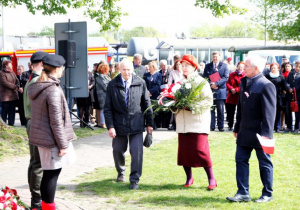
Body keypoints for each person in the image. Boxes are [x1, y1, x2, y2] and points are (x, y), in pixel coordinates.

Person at [28, 54, 76, 210]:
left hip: (43, 138)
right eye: (62, 68)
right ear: (57, 69)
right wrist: (63, 145)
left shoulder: (39, 85)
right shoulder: (52, 89)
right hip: (52, 140)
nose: (63, 70)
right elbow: (56, 121)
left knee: (48, 174)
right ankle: (48, 207)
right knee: (51, 175)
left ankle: (41, 206)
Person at [226, 55, 276, 203]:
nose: (243, 68)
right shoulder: (244, 82)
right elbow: (240, 108)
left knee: (264, 163)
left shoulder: (266, 85)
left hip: (261, 133)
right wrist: (236, 127)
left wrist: (266, 135)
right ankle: (242, 192)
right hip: (244, 131)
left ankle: (267, 193)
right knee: (241, 160)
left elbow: (269, 113)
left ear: (256, 68)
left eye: (246, 66)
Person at [104, 59, 153, 190]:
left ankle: (134, 180)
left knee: (136, 152)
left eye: (128, 69)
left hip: (136, 123)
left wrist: (150, 124)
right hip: (119, 123)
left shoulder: (140, 83)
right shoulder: (112, 85)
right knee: (117, 150)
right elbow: (107, 107)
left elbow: (147, 104)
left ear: (132, 69)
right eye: (124, 69)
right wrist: (110, 126)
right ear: (119, 70)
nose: (126, 72)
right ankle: (121, 171)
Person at [176, 54, 216, 190]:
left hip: (197, 123)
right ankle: (189, 177)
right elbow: (174, 99)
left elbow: (208, 100)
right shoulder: (179, 82)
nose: (184, 68)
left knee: (201, 151)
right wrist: (173, 105)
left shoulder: (201, 82)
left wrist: (191, 107)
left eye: (187, 65)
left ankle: (211, 178)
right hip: (183, 123)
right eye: (182, 65)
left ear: (194, 67)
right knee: (184, 153)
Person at [23, 51, 48, 209]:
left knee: (35, 162)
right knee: (38, 164)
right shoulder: (38, 80)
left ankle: (36, 197)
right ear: (42, 63)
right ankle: (37, 199)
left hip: (32, 122)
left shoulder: (32, 78)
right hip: (37, 123)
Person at [203, 51, 229, 132]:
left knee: (220, 110)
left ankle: (220, 126)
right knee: (211, 110)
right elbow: (205, 77)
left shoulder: (224, 66)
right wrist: (211, 84)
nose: (215, 58)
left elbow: (225, 77)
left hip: (220, 90)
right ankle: (212, 126)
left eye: (216, 57)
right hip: (210, 90)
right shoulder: (208, 66)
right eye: (213, 57)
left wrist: (217, 84)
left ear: (219, 57)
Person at [265, 63, 289, 132]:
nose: (273, 69)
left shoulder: (281, 77)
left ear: (278, 68)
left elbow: (284, 86)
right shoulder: (267, 76)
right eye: (272, 68)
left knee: (278, 112)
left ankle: (277, 127)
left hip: (278, 96)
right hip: (269, 96)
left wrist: (286, 90)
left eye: (275, 68)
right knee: (269, 112)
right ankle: (270, 127)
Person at [225, 61, 245, 131]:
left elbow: (244, 85)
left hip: (240, 96)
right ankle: (230, 125)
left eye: (242, 67)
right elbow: (227, 83)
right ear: (237, 66)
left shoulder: (245, 75)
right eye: (239, 66)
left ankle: (239, 125)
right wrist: (231, 89)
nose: (240, 68)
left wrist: (236, 89)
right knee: (230, 112)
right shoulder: (232, 74)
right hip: (231, 95)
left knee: (240, 112)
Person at [0, 60, 20, 126]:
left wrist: (17, 86)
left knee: (12, 112)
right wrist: (15, 87)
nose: (12, 65)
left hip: (13, 96)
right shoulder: (1, 73)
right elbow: (5, 83)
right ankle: (4, 126)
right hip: (6, 97)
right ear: (6, 65)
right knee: (4, 112)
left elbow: (17, 81)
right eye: (10, 64)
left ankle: (11, 124)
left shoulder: (12, 72)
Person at [167, 60, 183, 130]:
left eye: (180, 64)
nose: (178, 66)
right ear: (175, 66)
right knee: (174, 108)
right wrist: (169, 91)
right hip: (175, 91)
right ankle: (174, 124)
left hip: (183, 92)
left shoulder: (184, 72)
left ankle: (181, 124)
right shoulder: (172, 73)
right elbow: (169, 83)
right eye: (177, 65)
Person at [94, 63, 111, 128]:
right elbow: (105, 86)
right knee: (103, 109)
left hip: (106, 95)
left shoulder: (106, 76)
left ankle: (104, 123)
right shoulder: (100, 77)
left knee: (105, 109)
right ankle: (103, 123)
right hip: (102, 96)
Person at [285, 61, 300, 133]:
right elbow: (286, 82)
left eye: (299, 66)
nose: (297, 68)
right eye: (296, 66)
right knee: (288, 111)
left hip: (298, 97)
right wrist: (288, 88)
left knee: (298, 113)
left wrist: (294, 89)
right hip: (289, 96)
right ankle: (289, 127)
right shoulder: (291, 73)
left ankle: (297, 127)